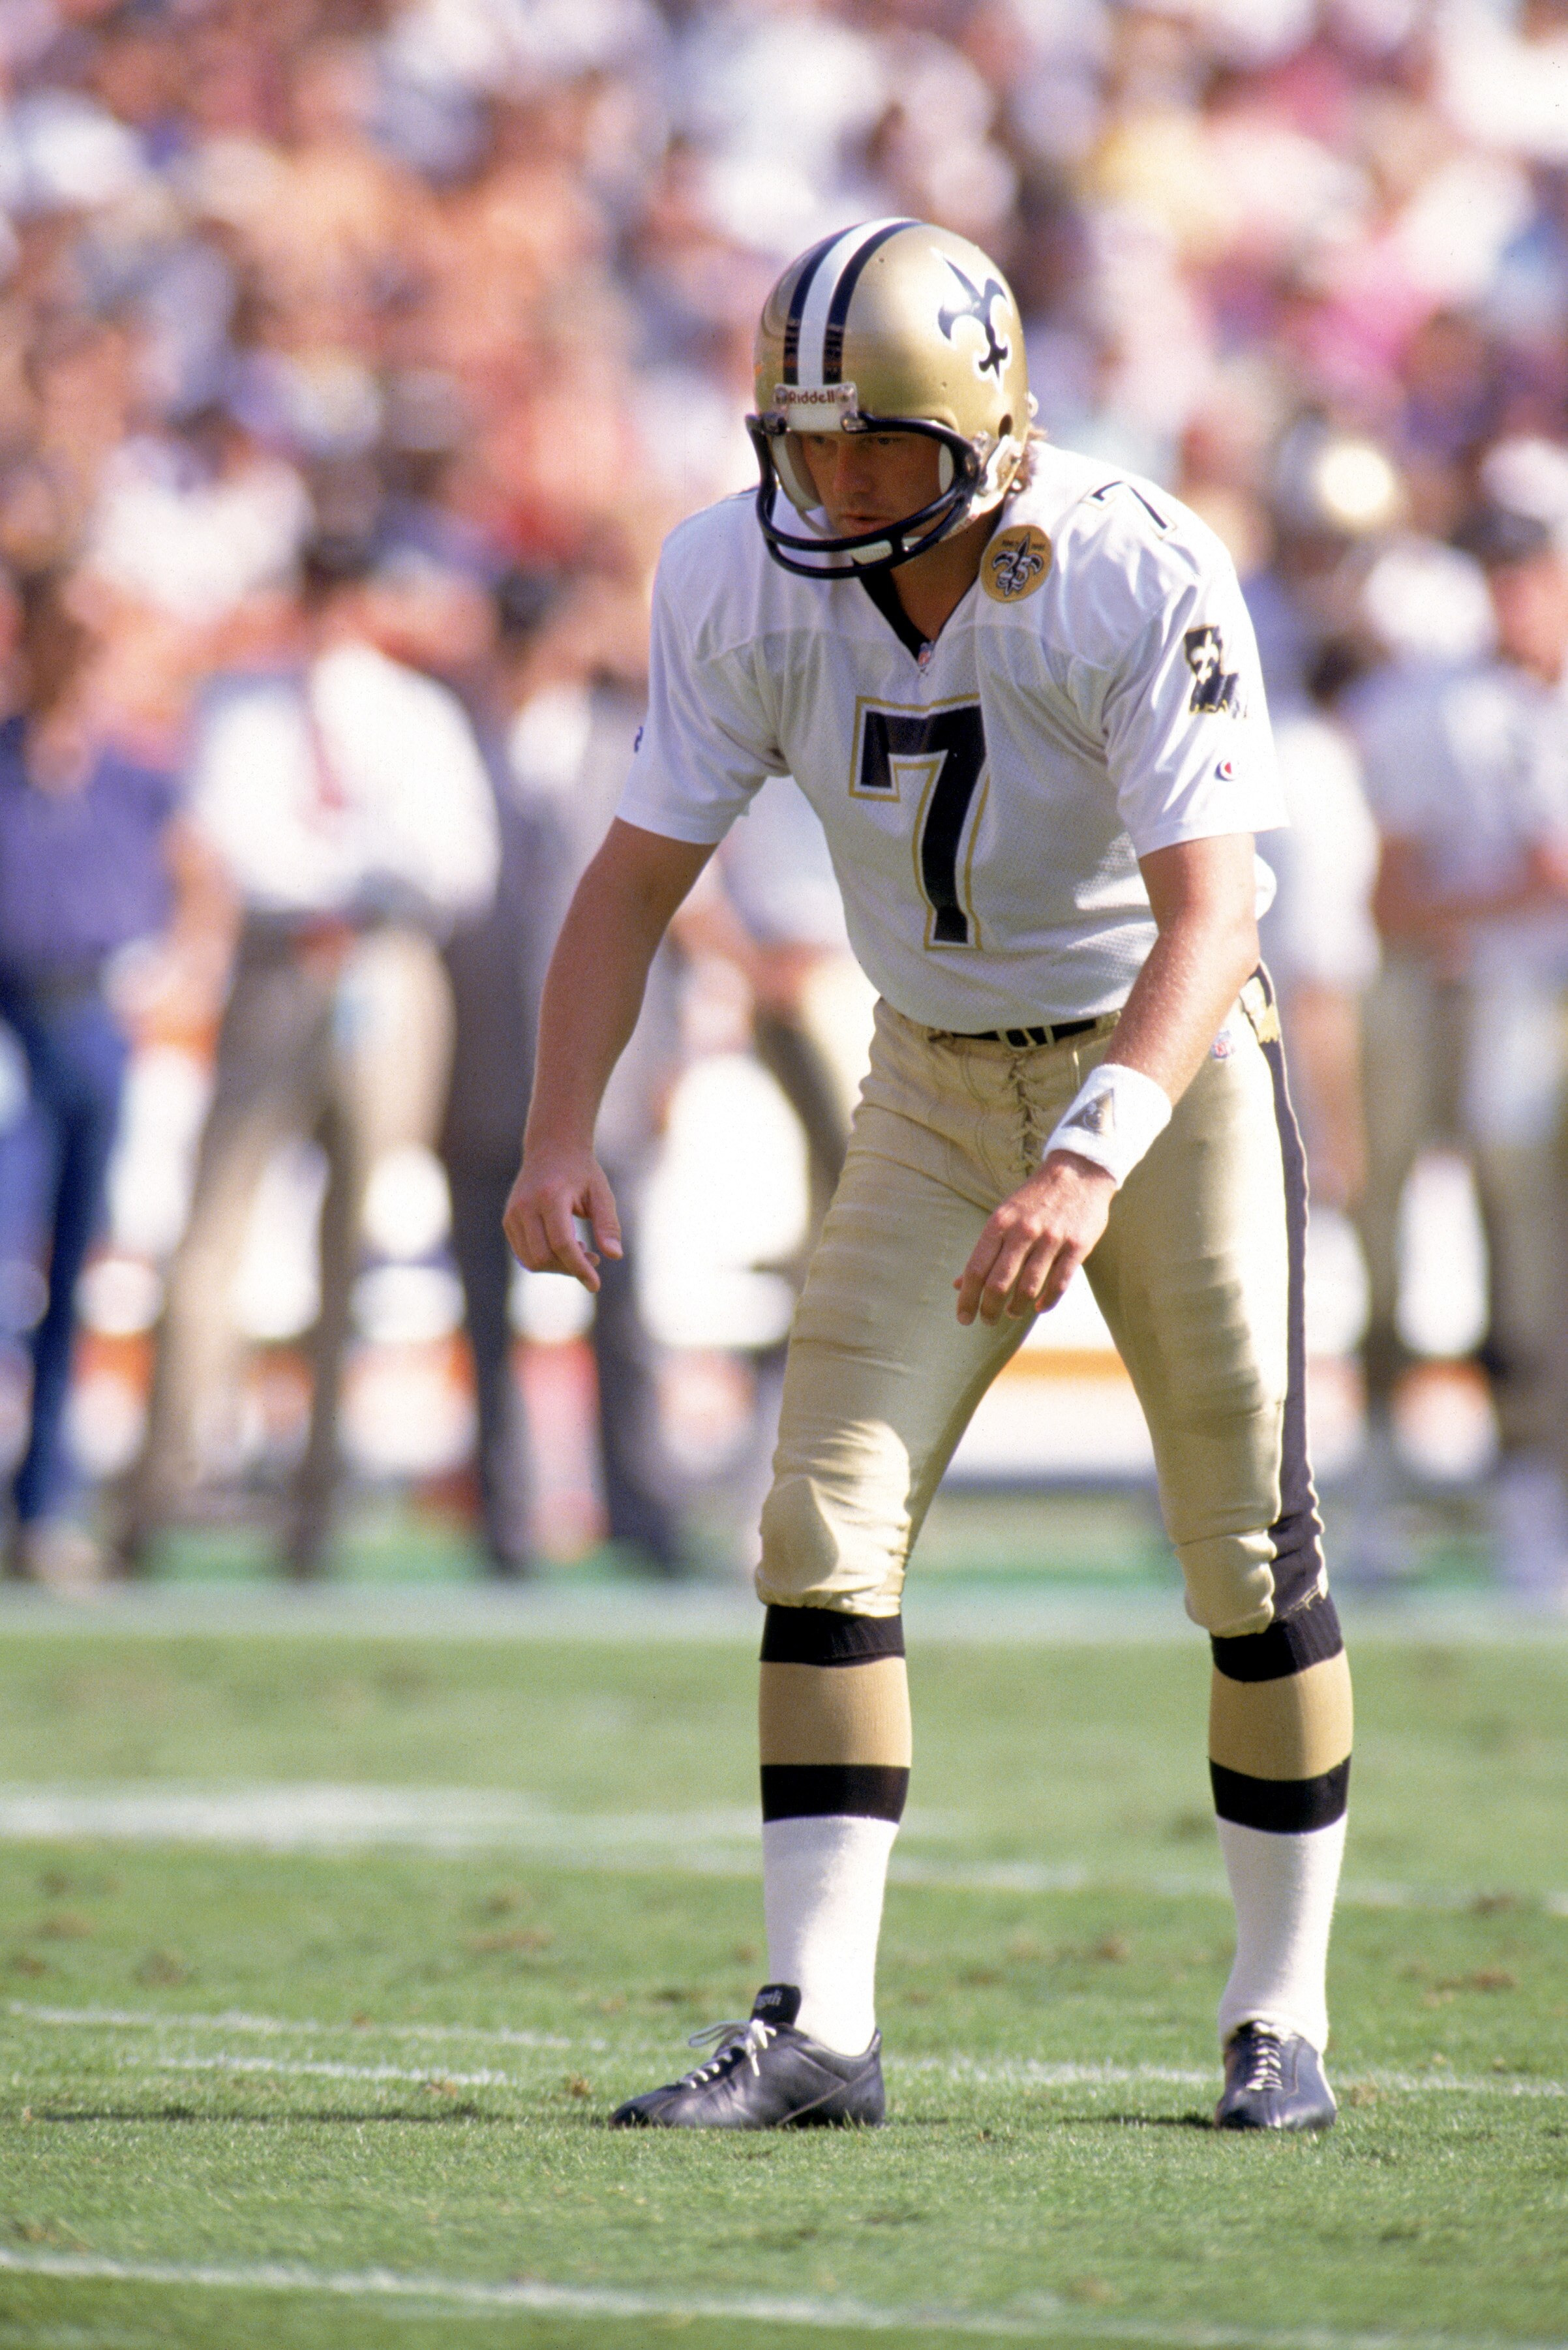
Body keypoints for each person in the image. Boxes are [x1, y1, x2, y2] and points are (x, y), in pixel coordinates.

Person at [505, 220, 1351, 2133]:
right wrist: (559, 1126)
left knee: (1243, 1545)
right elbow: (631, 879)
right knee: (819, 1526)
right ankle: (816, 2018)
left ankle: (1277, 2011)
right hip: (928, 1077)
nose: (829, 478)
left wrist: (1089, 1149)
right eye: (799, 438)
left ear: (985, 424)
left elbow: (1215, 912)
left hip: (1164, 1071)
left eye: (872, 440)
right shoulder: (729, 572)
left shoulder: (1126, 563)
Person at [122, 552, 498, 1576]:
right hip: (279, 965)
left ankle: (318, 1504)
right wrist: (349, 866)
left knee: (358, 1239)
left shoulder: (416, 713)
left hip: (387, 968)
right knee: (213, 1232)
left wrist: (350, 871)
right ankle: (157, 1493)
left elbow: (457, 861)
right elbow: (233, 844)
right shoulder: (242, 705)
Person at [0, 573, 187, 1585]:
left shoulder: (131, 773)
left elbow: (197, 880)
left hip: (92, 1022)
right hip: (10, 1023)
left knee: (74, 1275)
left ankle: (45, 1506)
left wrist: (171, 974)